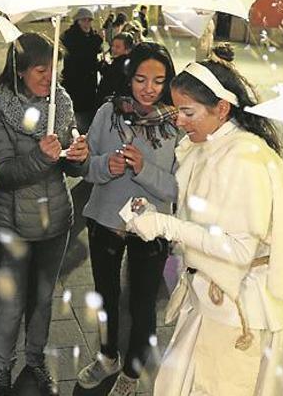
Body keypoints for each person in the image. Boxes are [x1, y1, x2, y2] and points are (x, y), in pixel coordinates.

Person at [128, 45, 283, 395]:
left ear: (222, 108)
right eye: (177, 110)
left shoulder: (245, 158)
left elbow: (238, 248)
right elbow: (207, 210)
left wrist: (165, 225)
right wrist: (155, 215)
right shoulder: (210, 143)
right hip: (216, 294)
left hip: (240, 303)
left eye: (188, 112)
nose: (178, 121)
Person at [0, 33, 90, 396]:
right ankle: (1, 369)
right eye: (41, 70)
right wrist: (42, 156)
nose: (49, 79)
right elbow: (4, 172)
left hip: (55, 220)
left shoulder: (63, 103)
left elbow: (73, 171)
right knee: (10, 305)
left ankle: (36, 360)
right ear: (20, 70)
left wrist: (79, 157)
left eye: (54, 70)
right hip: (10, 224)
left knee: (43, 299)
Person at [77, 42, 179, 395]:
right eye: (140, 79)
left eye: (157, 80)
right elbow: (86, 168)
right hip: (105, 222)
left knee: (142, 303)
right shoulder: (108, 112)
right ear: (128, 77)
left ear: (168, 82)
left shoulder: (177, 122)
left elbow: (178, 189)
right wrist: (105, 165)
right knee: (105, 297)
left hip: (151, 229)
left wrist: (143, 169)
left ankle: (133, 372)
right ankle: (108, 356)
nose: (148, 88)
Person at [61, 7, 103, 132]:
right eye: (83, 20)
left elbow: (94, 53)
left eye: (89, 20)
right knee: (77, 117)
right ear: (77, 21)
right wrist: (98, 40)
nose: (87, 23)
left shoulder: (92, 35)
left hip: (89, 83)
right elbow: (82, 53)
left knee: (88, 114)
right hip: (75, 82)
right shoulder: (70, 36)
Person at [97, 32, 135, 101]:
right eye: (113, 46)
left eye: (117, 47)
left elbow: (112, 79)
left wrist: (103, 66)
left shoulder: (123, 64)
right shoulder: (118, 61)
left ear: (127, 50)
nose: (113, 49)